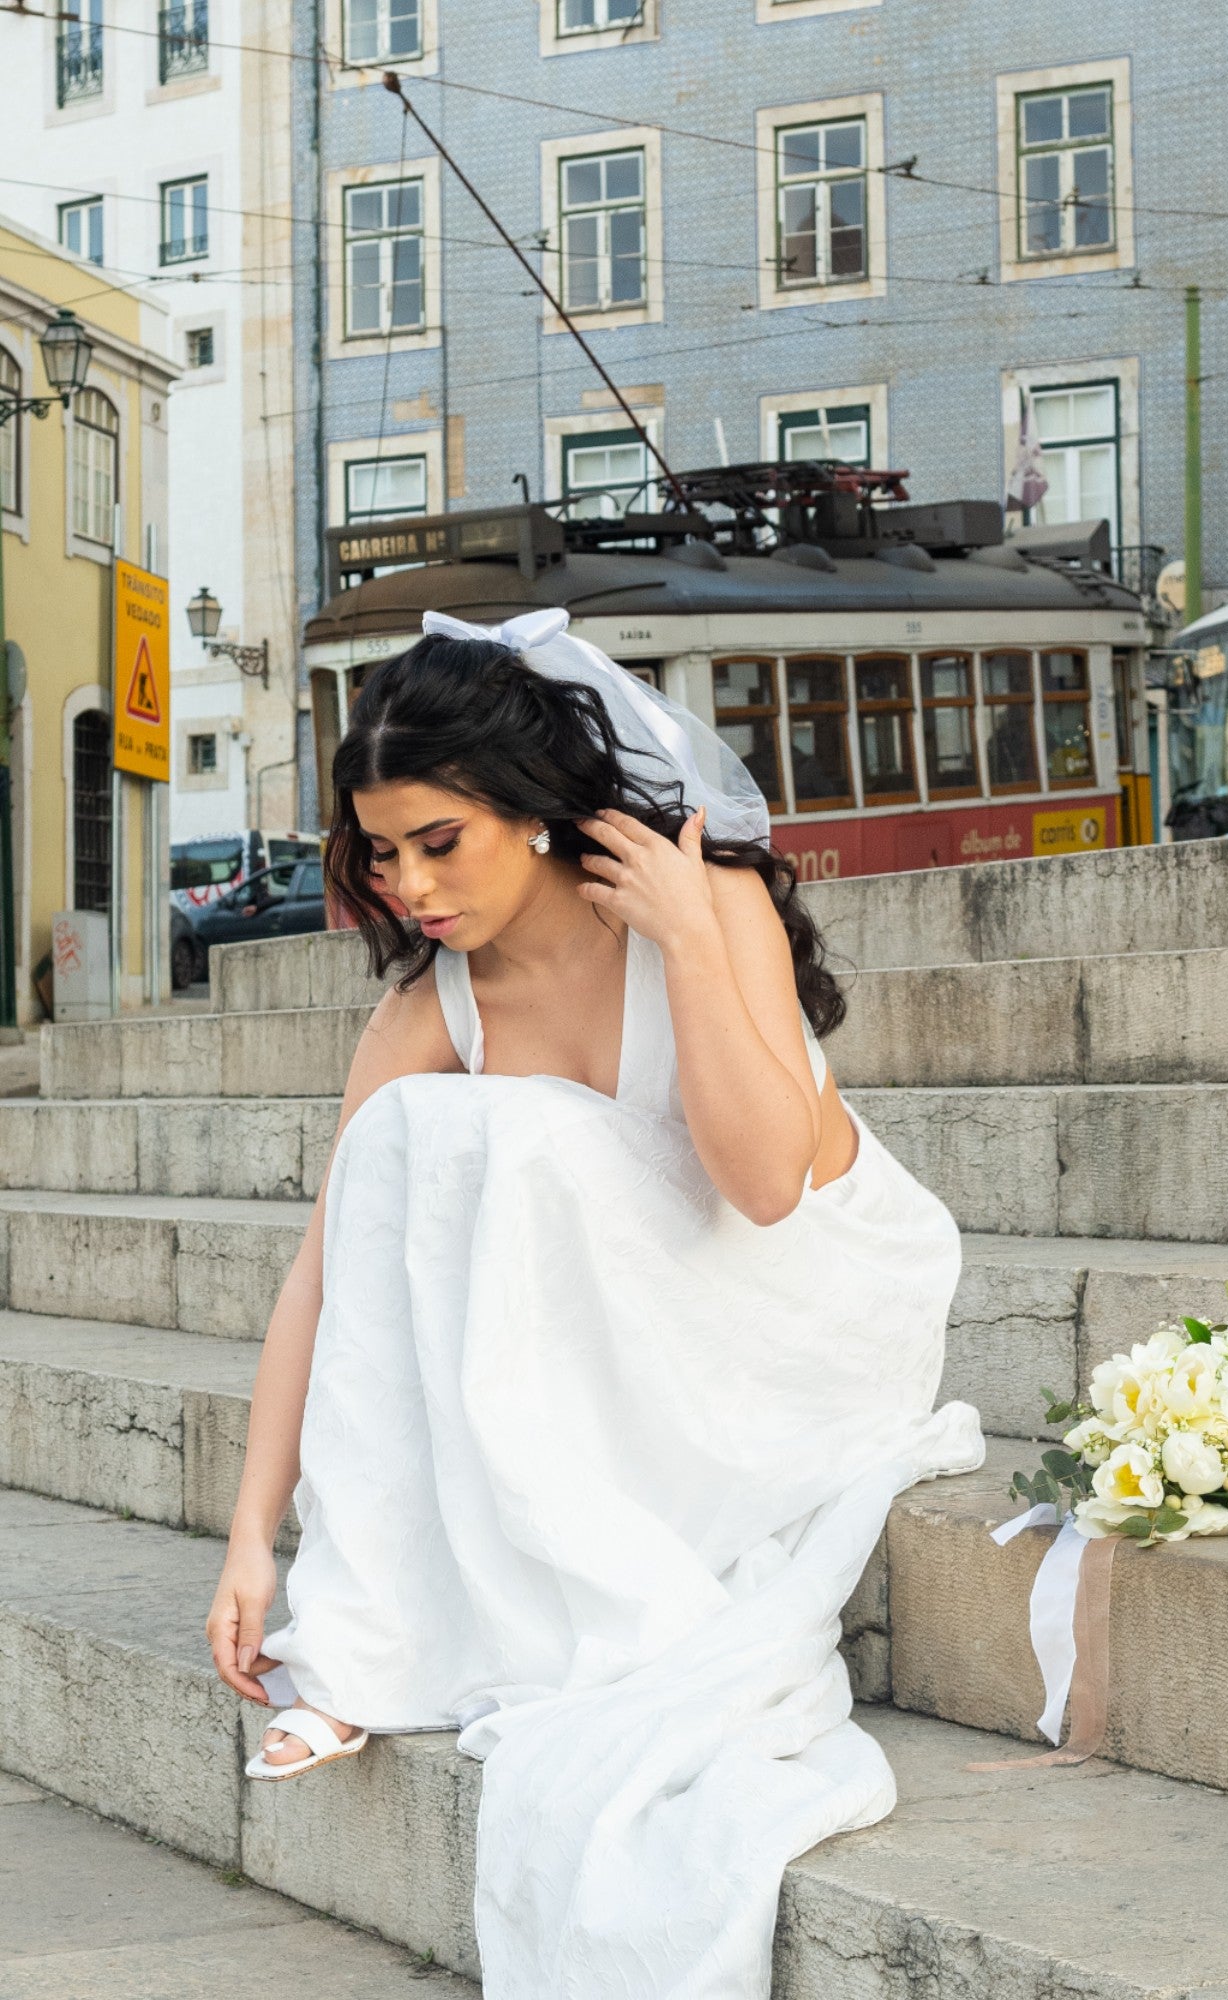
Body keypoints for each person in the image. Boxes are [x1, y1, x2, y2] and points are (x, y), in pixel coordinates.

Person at [204, 608, 983, 1998]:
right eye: (384, 854)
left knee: (516, 1140)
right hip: (640, 1332)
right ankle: (370, 1632)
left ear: (536, 812)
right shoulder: (434, 1003)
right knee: (400, 1145)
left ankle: (511, 1605)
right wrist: (254, 1543)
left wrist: (689, 939)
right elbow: (328, 1267)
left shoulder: (704, 902)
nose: (413, 886)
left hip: (805, 1305)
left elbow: (765, 1188)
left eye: (443, 842)